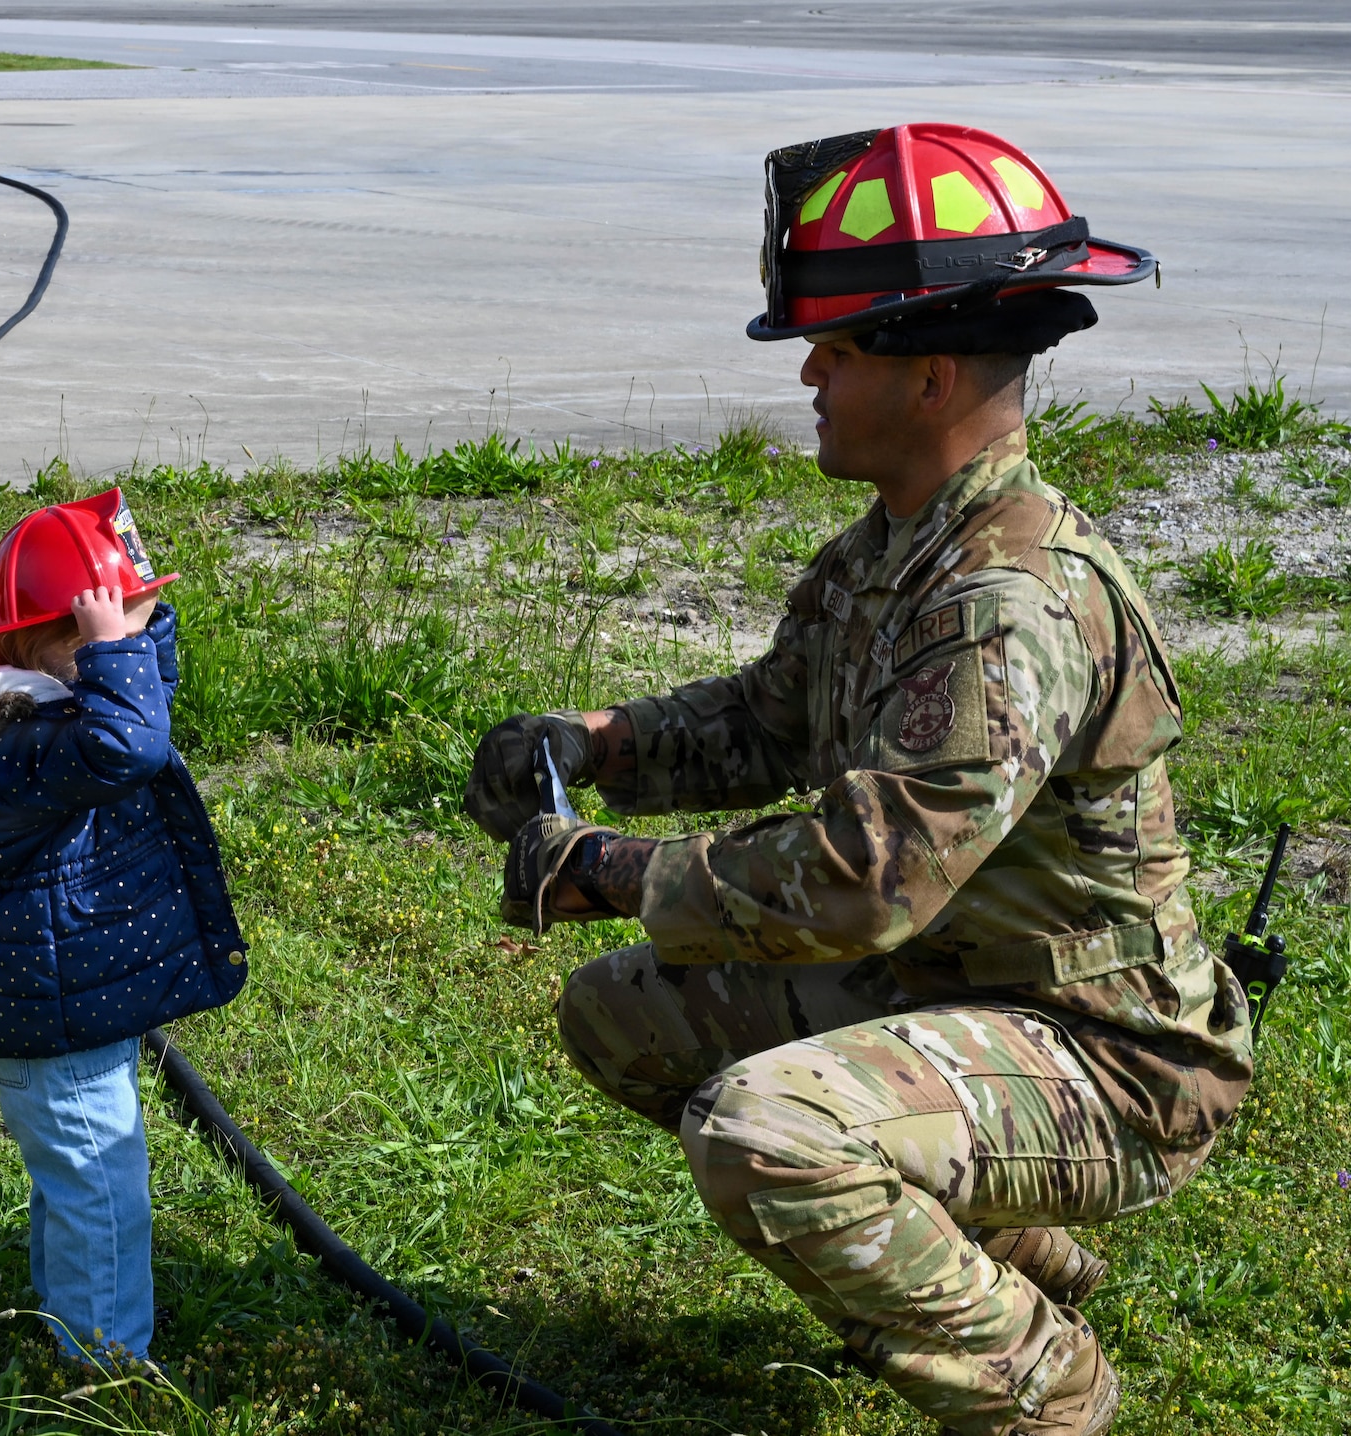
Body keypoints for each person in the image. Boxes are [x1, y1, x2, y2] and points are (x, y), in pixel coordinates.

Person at [466, 125, 1251, 1436]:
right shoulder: (899, 547)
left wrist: (610, 870)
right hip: (962, 993)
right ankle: (1004, 1271)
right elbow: (769, 720)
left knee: (770, 1131)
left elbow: (860, 882)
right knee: (627, 1011)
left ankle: (1044, 1394)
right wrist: (596, 742)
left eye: (837, 351)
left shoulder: (1006, 599)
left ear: (931, 376)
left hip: (1106, 1058)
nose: (812, 377)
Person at [0, 488, 248, 1369]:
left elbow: (147, 701)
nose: (135, 654)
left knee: (79, 1182)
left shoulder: (57, 700)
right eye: (116, 641)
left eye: (141, 635)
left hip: (66, 1003)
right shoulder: (18, 743)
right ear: (48, 646)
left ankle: (75, 1317)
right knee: (100, 1193)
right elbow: (133, 744)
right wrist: (118, 648)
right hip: (54, 1015)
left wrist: (128, 625)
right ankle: (102, 1363)